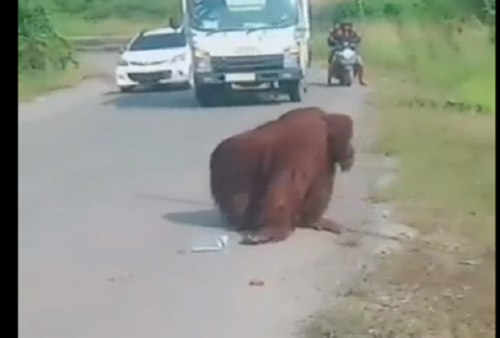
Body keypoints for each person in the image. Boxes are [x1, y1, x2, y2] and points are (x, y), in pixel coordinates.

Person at [328, 20, 366, 86]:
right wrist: (332, 41)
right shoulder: (337, 32)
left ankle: (361, 80)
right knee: (333, 62)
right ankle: (329, 80)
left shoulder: (353, 33)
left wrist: (357, 40)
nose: (346, 27)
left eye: (348, 25)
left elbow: (358, 39)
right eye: (345, 25)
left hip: (351, 52)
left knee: (360, 63)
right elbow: (330, 39)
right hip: (339, 51)